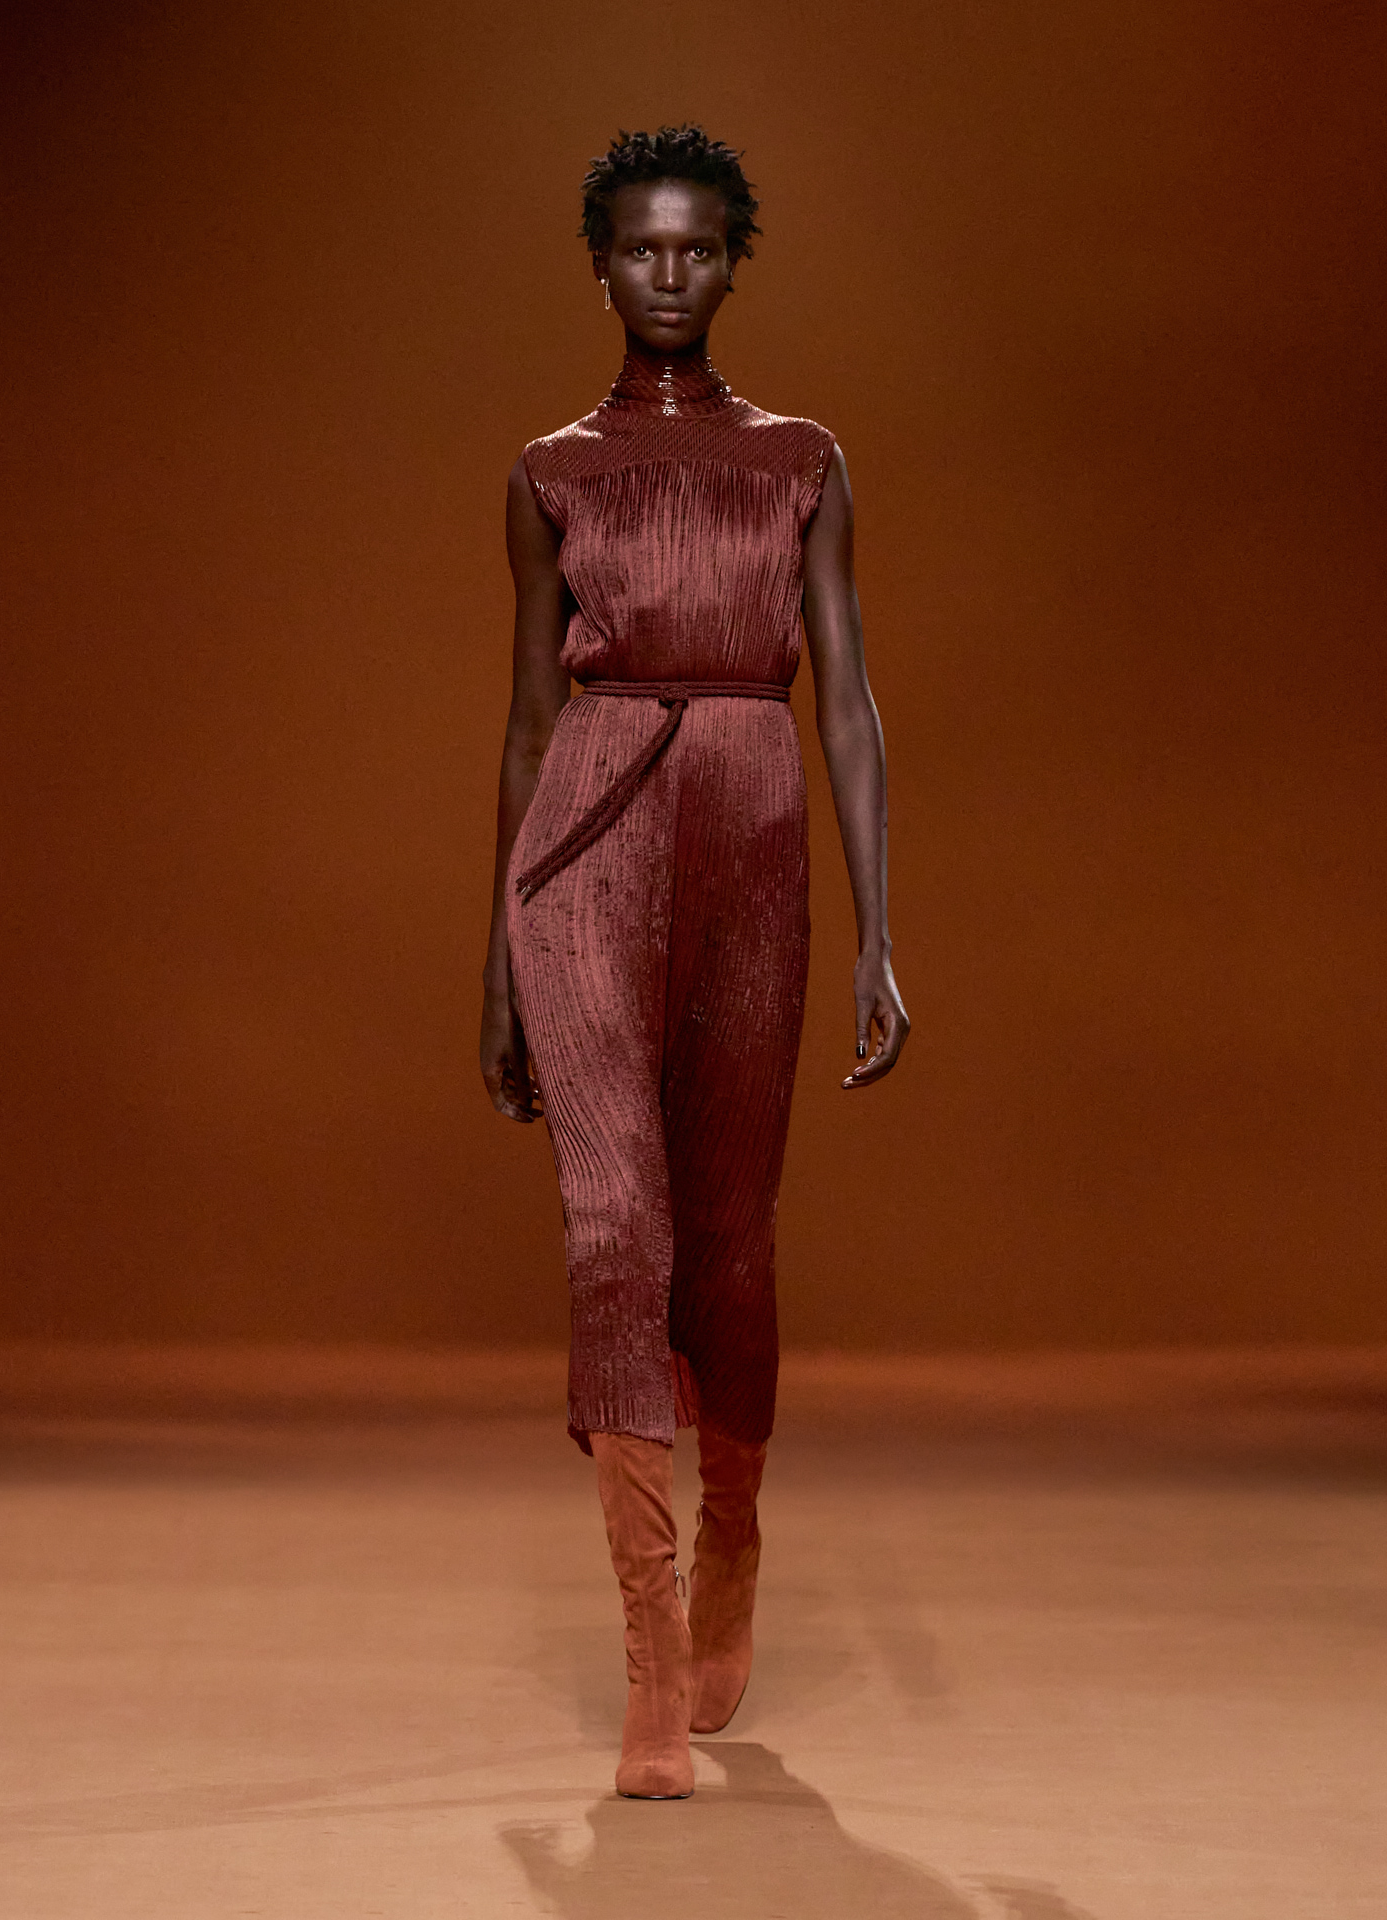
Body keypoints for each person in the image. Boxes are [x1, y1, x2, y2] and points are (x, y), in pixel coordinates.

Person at [480, 125, 907, 1800]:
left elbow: (848, 702)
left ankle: (733, 1529)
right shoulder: (548, 472)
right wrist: (495, 961)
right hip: (585, 833)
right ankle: (649, 1656)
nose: (670, 272)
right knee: (614, 1228)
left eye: (700, 246)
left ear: (734, 260)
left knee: (724, 1241)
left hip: (751, 818)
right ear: (600, 267)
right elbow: (529, 721)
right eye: (642, 248)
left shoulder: (805, 460)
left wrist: (881, 933)